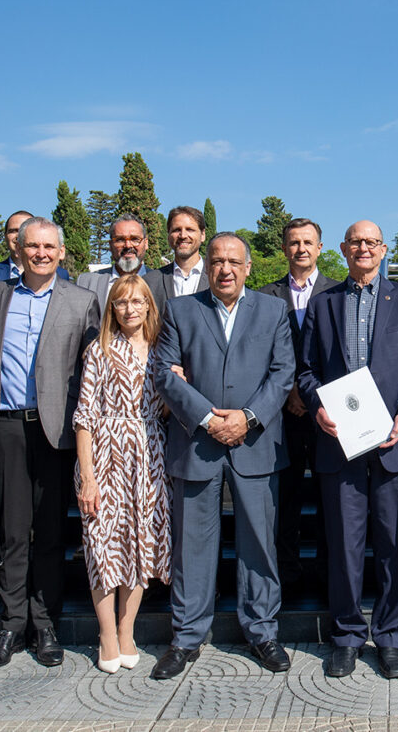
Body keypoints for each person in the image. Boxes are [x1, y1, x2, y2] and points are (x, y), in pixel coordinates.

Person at [151, 232, 294, 679]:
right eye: (217, 261)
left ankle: (263, 631)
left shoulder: (273, 310)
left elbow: (283, 371)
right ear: (207, 266)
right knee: (192, 546)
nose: (225, 269)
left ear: (249, 267)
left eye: (234, 261)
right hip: (198, 443)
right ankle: (187, 636)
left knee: (259, 544)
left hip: (255, 444)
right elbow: (164, 373)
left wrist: (247, 418)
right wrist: (209, 419)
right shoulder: (179, 310)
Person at [297, 220, 398, 679]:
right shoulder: (324, 303)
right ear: (342, 248)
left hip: (392, 442)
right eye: (355, 242)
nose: (363, 248)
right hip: (340, 444)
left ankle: (392, 637)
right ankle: (347, 636)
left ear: (383, 249)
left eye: (371, 242)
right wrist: (318, 407)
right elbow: (306, 371)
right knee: (343, 545)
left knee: (396, 546)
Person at [0, 217, 100, 671]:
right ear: (19, 249)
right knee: (11, 531)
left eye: (49, 247)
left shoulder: (82, 301)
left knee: (49, 533)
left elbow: (93, 368)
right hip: (5, 427)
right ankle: (11, 624)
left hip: (55, 431)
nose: (41, 253)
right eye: (33, 246)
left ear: (61, 252)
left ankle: (45, 623)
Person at [73, 275, 171, 674]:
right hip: (105, 453)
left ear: (149, 306)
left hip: (149, 455)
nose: (129, 309)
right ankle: (106, 634)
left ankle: (127, 628)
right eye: (120, 302)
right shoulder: (98, 351)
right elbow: (83, 417)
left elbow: (166, 407)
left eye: (137, 301)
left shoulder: (162, 351)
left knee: (137, 545)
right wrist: (88, 476)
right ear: (111, 308)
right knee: (102, 546)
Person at [259, 217, 340, 588]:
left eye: (308, 242)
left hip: (328, 412)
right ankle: (286, 579)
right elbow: (260, 354)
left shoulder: (338, 292)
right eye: (294, 242)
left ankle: (328, 576)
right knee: (284, 502)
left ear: (320, 247)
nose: (301, 249)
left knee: (329, 501)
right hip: (281, 414)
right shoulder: (264, 296)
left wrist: (313, 395)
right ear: (284, 248)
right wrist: (290, 390)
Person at [0, 210, 70, 316]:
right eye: (13, 231)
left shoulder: (60, 275)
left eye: (23, 229)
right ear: (5, 236)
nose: (18, 236)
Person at [144, 206, 209, 314]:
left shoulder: (216, 278)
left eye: (190, 229)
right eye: (177, 230)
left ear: (202, 235)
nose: (183, 235)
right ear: (168, 235)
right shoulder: (151, 282)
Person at [77, 214, 150, 310]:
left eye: (135, 239)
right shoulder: (87, 284)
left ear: (146, 243)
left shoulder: (159, 283)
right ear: (110, 245)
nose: (128, 245)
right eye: (120, 240)